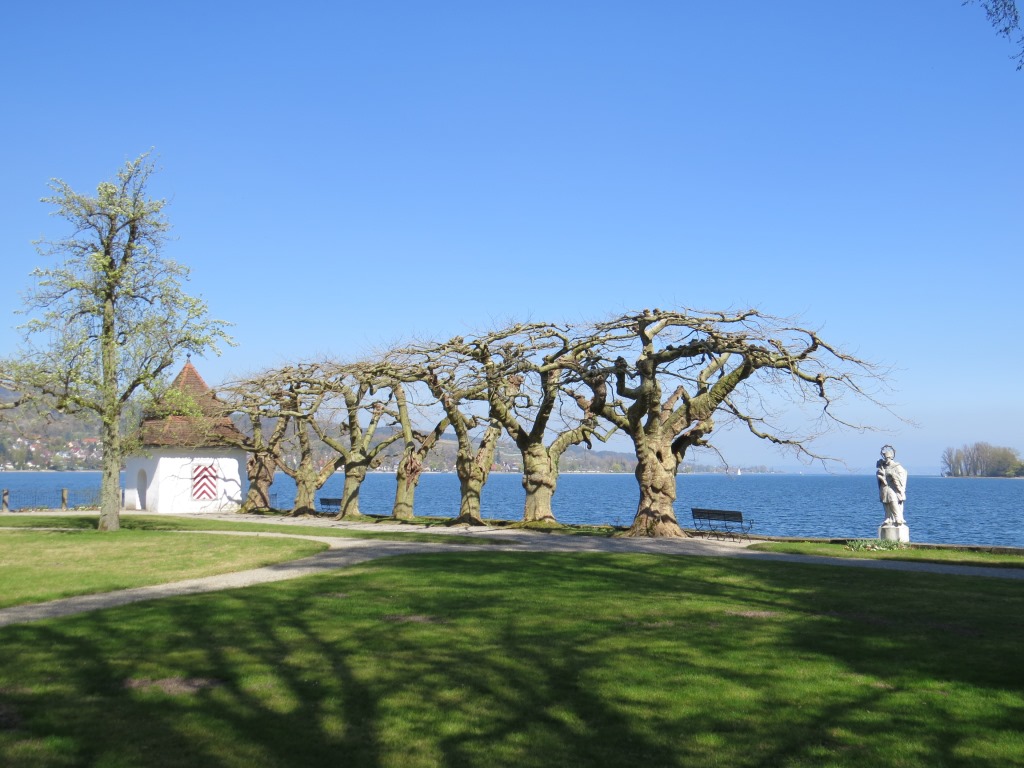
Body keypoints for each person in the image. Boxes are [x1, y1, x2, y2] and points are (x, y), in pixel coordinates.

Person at [876, 445, 907, 526]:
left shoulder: (897, 466)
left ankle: (898, 518)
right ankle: (888, 517)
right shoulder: (883, 466)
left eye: (888, 458)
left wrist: (893, 475)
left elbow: (902, 476)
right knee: (885, 502)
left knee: (893, 501)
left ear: (891, 457)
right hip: (884, 487)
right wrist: (880, 475)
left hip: (892, 488)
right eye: (885, 458)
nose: (887, 460)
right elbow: (879, 475)